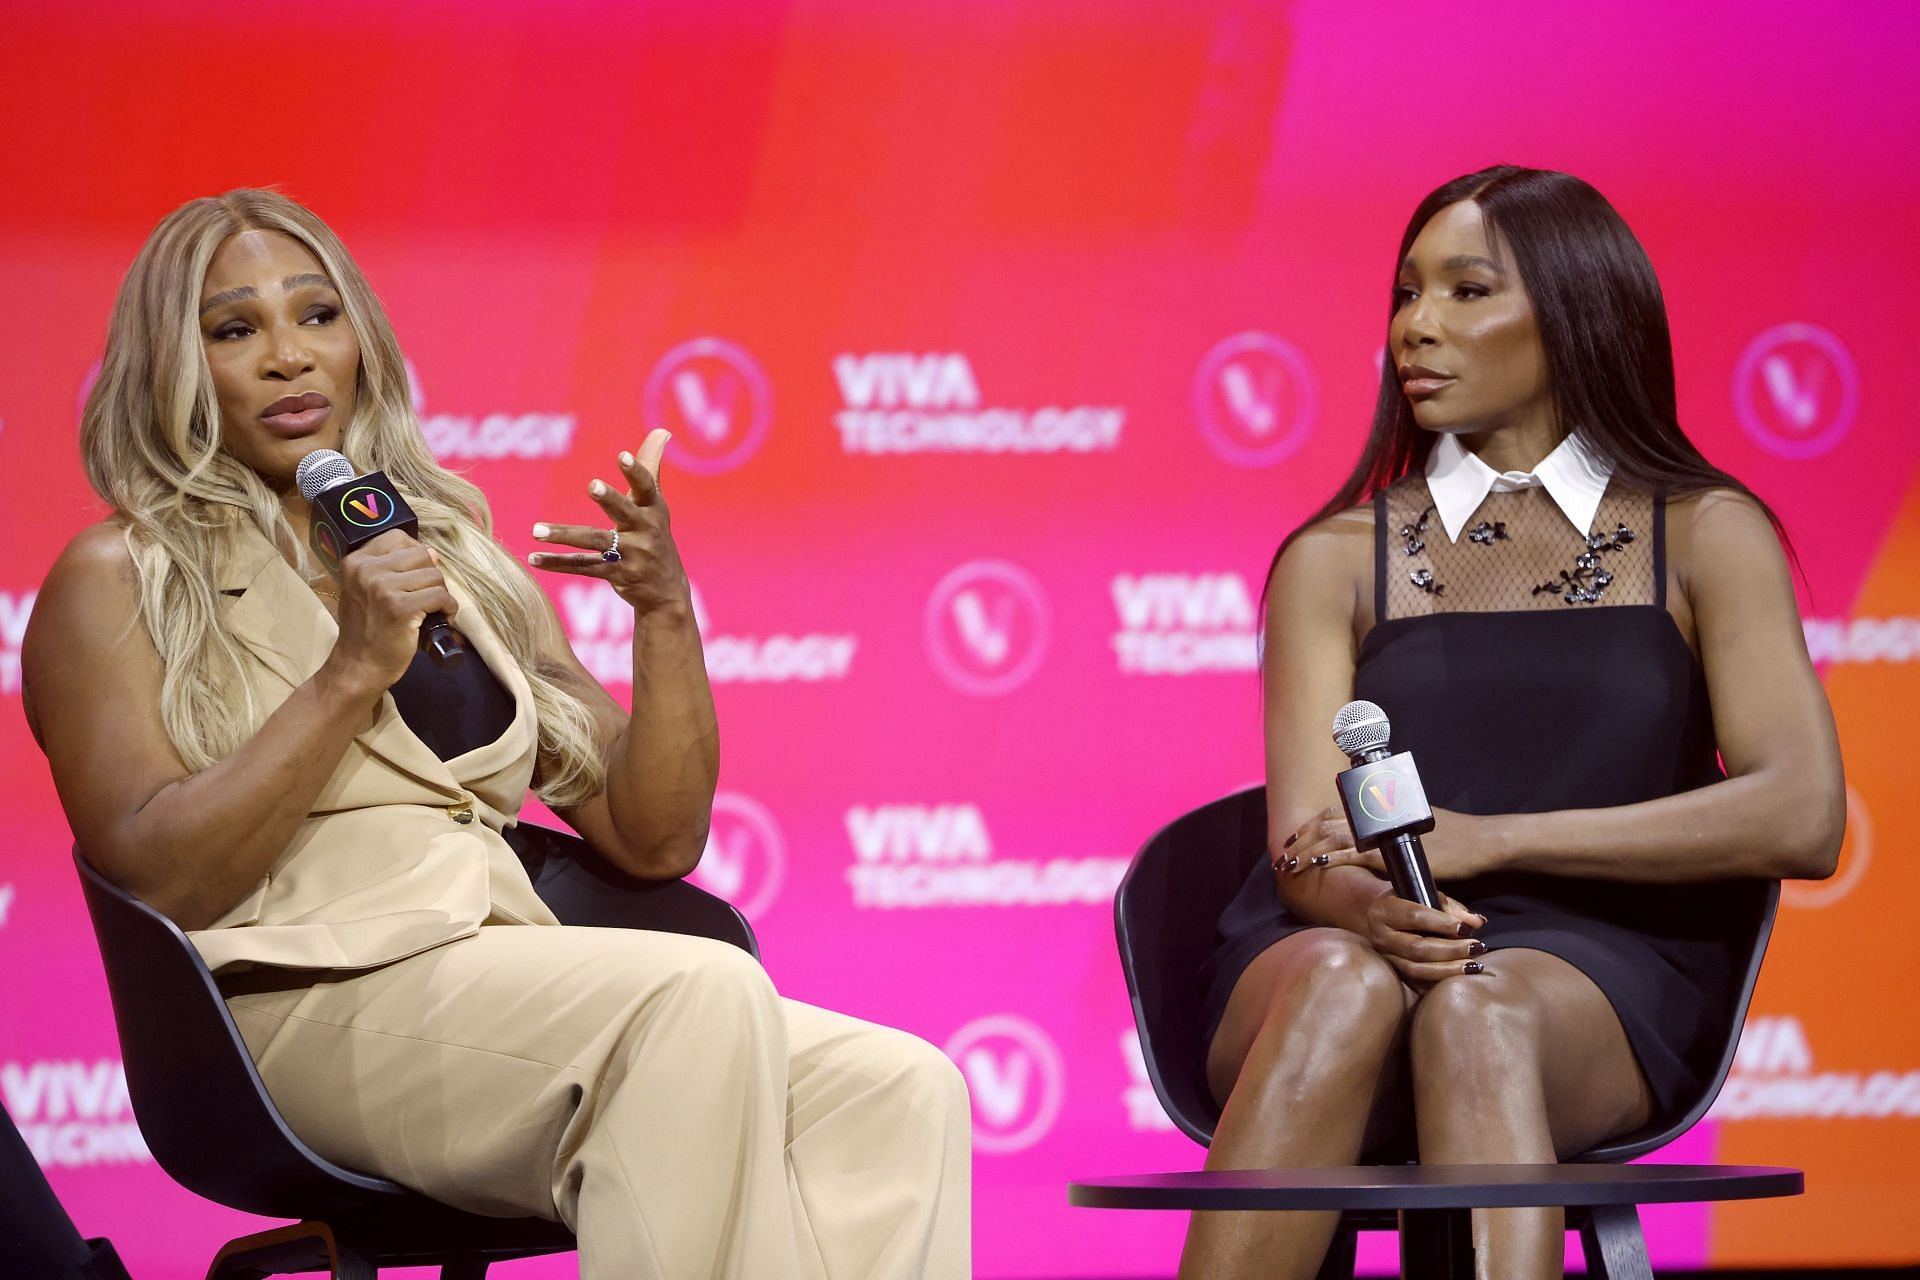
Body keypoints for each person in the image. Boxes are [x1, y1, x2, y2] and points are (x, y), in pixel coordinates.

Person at [22, 188, 971, 1280]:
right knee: (695, 998)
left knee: (898, 1087)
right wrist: (347, 671)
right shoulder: (118, 579)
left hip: (501, 972)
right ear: (174, 369)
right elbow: (157, 874)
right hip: (295, 1012)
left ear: (363, 343)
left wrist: (664, 617)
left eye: (317, 316)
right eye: (236, 329)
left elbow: (650, 835)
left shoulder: (445, 549)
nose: (290, 356)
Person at [1182, 166, 1845, 1280]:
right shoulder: (1336, 558)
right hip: (1341, 947)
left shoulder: (1705, 534)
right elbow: (1304, 842)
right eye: (1405, 294)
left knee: (1477, 1014)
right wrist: (1369, 907)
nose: (1415, 328)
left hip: (1598, 968)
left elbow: (1802, 812)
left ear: (1577, 314)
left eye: (1465, 291)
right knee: (1347, 984)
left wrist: (1497, 839)